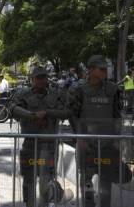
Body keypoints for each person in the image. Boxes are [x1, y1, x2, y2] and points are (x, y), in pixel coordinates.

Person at [67, 55, 132, 207]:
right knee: (87, 184)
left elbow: (117, 116)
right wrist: (80, 139)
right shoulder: (77, 89)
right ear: (90, 70)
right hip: (86, 145)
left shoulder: (113, 89)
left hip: (108, 146)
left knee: (105, 187)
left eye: (105, 68)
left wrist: (117, 141)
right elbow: (72, 116)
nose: (105, 71)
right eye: (101, 68)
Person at [10, 67, 72, 207]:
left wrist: (47, 113)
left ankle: (50, 199)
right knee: (28, 181)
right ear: (32, 79)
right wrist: (32, 116)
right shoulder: (23, 94)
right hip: (30, 144)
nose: (41, 81)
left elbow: (67, 112)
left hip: (49, 145)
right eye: (38, 78)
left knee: (46, 181)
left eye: (43, 77)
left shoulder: (56, 95)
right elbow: (13, 108)